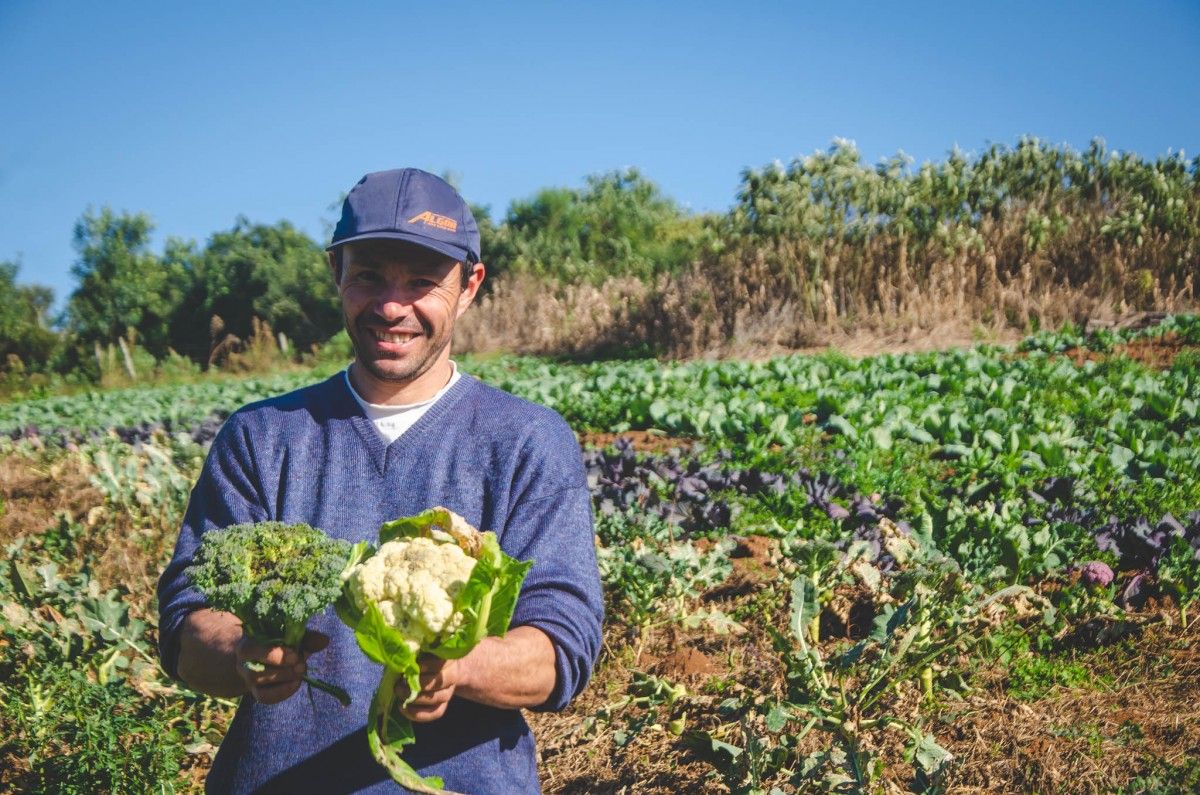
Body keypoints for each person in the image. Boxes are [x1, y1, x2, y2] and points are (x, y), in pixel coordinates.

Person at [157, 168, 604, 794]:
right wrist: (240, 652)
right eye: (369, 276)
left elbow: (562, 647)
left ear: (469, 285)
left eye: (422, 282)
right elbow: (186, 624)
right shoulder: (261, 437)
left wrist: (458, 666)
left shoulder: (526, 440)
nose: (392, 307)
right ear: (337, 272)